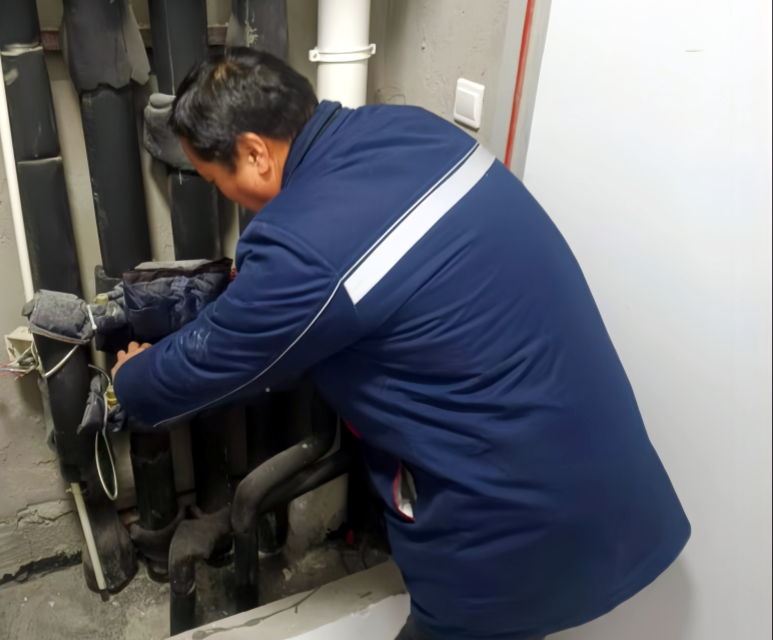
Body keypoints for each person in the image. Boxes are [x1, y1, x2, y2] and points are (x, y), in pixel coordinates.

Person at [111, 47, 690, 640]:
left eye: (218, 181)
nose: (227, 197)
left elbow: (218, 360)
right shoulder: (410, 131)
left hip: (509, 523)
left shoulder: (306, 243)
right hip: (606, 475)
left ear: (256, 153)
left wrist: (129, 381)